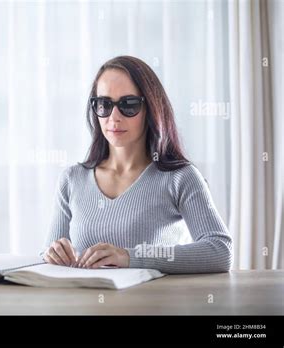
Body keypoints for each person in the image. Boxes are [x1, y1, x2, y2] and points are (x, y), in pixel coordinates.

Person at [41, 55, 232, 274]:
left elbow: (220, 251)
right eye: (104, 104)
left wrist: (129, 256)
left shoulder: (180, 177)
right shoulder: (72, 179)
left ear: (151, 108)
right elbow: (47, 256)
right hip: (88, 307)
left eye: (128, 105)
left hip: (154, 306)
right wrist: (51, 254)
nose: (114, 117)